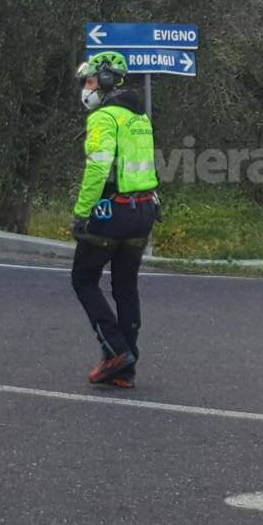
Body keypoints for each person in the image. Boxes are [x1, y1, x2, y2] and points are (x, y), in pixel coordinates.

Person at [70, 51, 159, 389]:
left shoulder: (104, 118)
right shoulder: (140, 117)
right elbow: (146, 165)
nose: (86, 88)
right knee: (125, 286)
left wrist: (81, 212)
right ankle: (125, 367)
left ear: (105, 81)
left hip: (112, 211)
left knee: (83, 279)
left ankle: (117, 351)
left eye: (89, 81)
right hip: (144, 210)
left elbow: (98, 167)